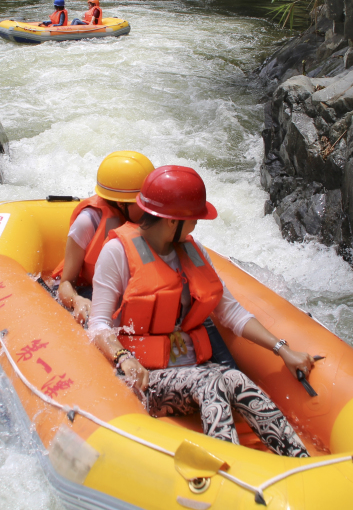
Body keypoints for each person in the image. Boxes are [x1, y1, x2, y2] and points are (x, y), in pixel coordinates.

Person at [88, 165, 313, 457]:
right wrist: (124, 359)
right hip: (148, 377)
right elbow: (99, 325)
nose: (196, 225)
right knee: (213, 381)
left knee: (236, 379)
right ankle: (231, 469)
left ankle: (297, 459)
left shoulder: (194, 251)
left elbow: (231, 312)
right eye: (193, 219)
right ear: (171, 221)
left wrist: (282, 349)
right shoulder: (117, 253)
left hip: (198, 372)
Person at [51, 151, 155, 322]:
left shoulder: (150, 219)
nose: (149, 208)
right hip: (88, 288)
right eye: (142, 202)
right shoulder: (87, 222)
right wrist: (77, 300)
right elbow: (66, 283)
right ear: (122, 203)